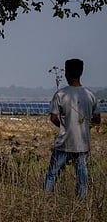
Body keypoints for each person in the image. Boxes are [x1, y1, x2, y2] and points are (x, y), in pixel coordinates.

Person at [43, 58, 101, 199]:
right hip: (82, 143)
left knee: (52, 174)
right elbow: (97, 119)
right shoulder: (90, 95)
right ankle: (81, 201)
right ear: (81, 72)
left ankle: (45, 199)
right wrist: (84, 126)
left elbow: (53, 118)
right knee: (82, 176)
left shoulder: (61, 94)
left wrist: (65, 126)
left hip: (64, 142)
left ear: (67, 73)